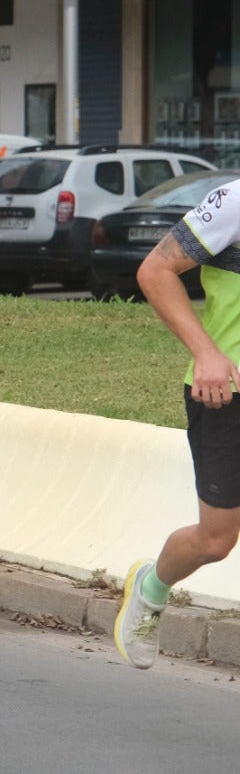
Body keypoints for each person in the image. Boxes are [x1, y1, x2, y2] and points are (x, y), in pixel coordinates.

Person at [114, 179, 240, 669]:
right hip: (225, 390)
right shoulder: (234, 201)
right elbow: (157, 270)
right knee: (216, 540)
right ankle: (151, 588)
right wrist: (206, 351)